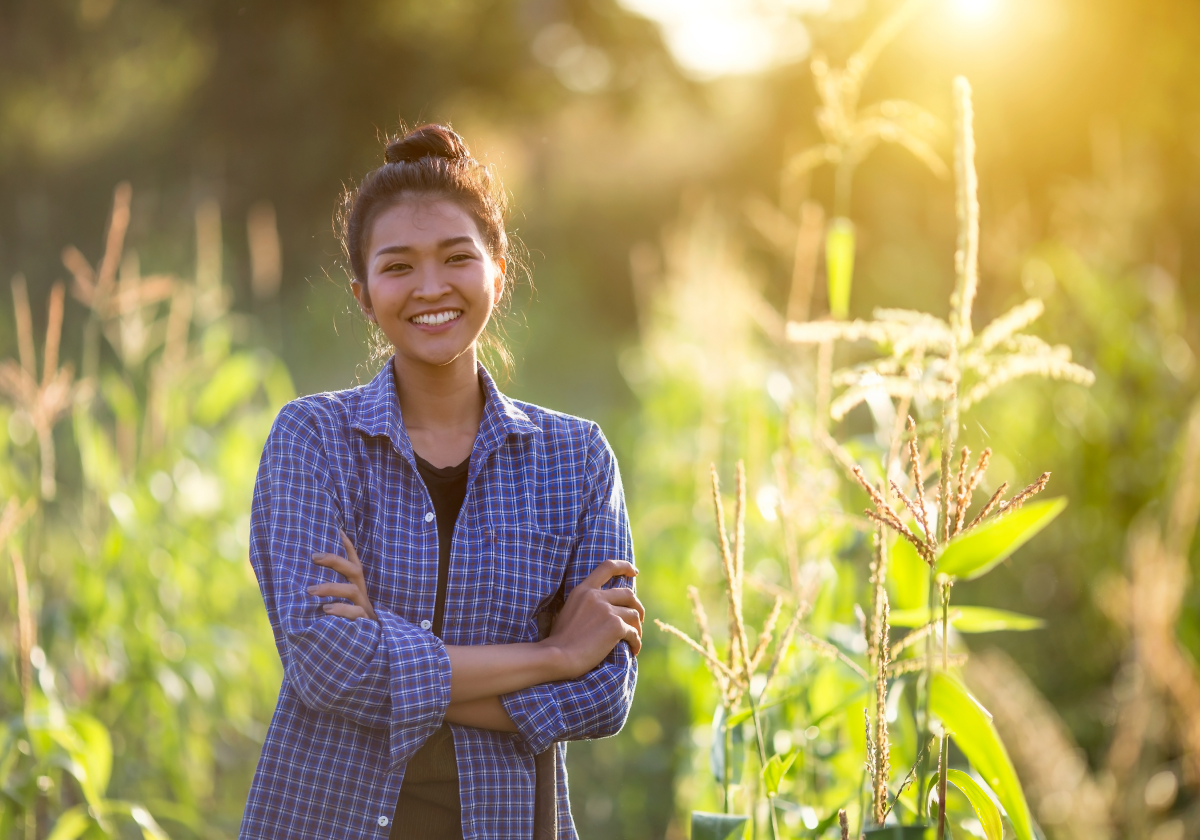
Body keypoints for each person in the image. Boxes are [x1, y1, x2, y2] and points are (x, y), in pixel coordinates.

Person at [239, 124, 643, 840]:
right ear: (364, 295)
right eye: (398, 267)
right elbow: (326, 666)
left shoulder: (577, 458)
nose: (431, 288)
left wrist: (383, 649)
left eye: (457, 257)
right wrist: (550, 656)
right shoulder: (312, 440)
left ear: (499, 270)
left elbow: (603, 693)